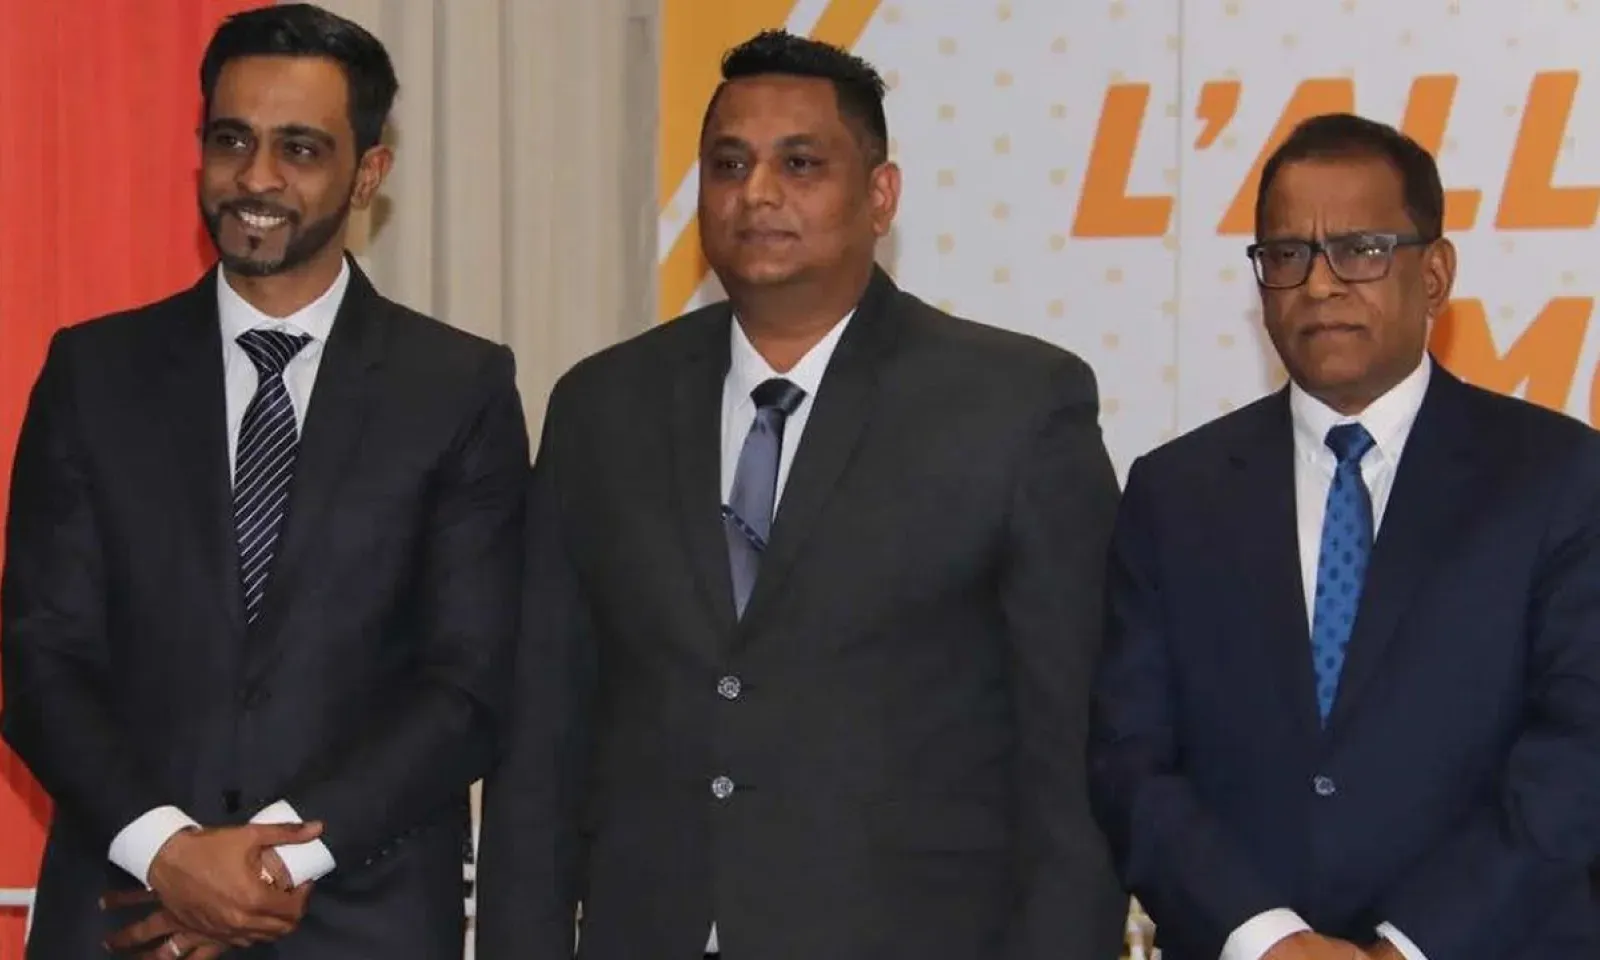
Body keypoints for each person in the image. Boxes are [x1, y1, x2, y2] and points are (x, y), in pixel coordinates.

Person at [477, 27, 1126, 960]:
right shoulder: (601, 408)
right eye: (729, 164)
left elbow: (1071, 763)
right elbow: (543, 737)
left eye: (800, 164)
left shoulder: (1014, 408)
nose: (757, 193)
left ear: (880, 195)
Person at [0, 4, 528, 958]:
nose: (256, 178)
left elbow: (468, 685)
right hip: (128, 914)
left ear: (368, 173)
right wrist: (169, 854)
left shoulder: (459, 388)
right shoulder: (93, 374)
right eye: (232, 140)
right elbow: (43, 659)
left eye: (300, 149)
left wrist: (271, 864)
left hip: (358, 916)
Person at [1088, 112, 1600, 960]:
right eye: (1287, 254)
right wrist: (1271, 940)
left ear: (1434, 275)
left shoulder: (1559, 476)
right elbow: (1130, 757)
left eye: (1361, 249)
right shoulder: (1174, 492)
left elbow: (1578, 752)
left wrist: (1406, 948)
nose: (1320, 284)